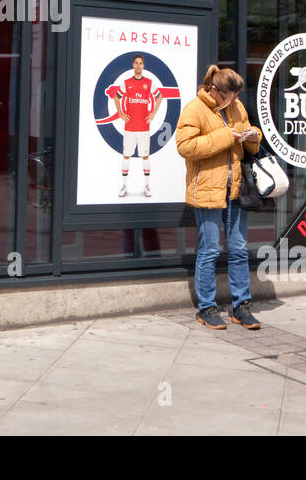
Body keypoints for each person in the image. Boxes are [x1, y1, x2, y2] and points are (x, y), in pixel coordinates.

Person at [176, 64, 262, 330]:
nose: (234, 101)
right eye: (229, 96)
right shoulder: (194, 108)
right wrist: (226, 136)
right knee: (209, 250)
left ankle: (241, 306)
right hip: (207, 191)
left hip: (236, 190)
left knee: (238, 250)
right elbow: (185, 146)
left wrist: (252, 136)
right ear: (215, 90)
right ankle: (207, 308)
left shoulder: (236, 108)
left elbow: (250, 142)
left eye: (236, 96)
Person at [112, 53, 163, 198]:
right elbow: (116, 97)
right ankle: (124, 186)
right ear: (133, 65)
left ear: (143, 65)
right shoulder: (127, 82)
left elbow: (160, 96)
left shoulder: (149, 82)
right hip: (129, 127)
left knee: (145, 157)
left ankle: (147, 186)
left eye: (141, 63)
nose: (139, 65)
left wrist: (153, 113)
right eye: (136, 63)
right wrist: (121, 113)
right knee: (126, 156)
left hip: (143, 127)